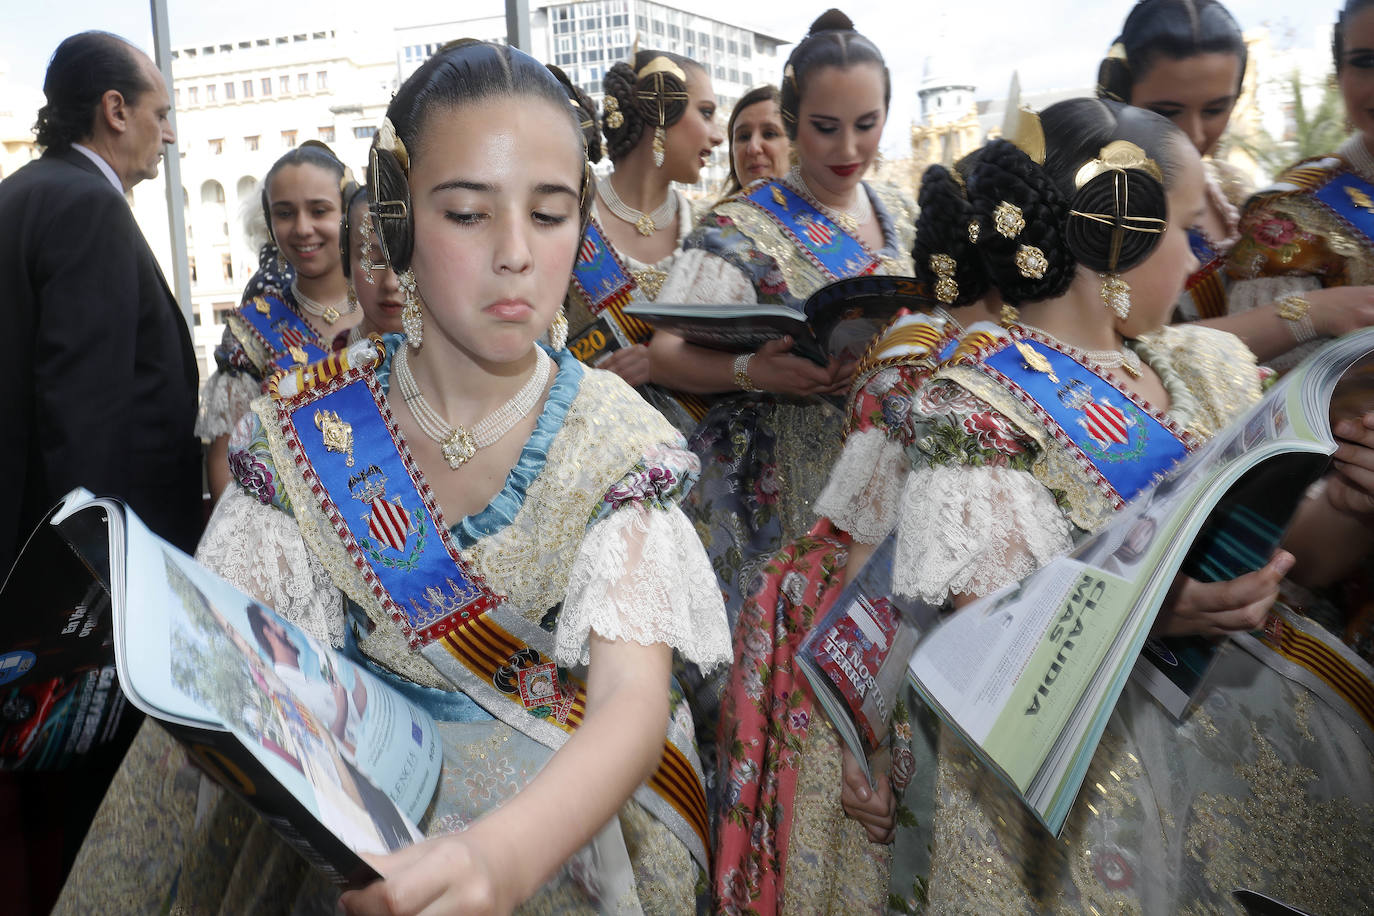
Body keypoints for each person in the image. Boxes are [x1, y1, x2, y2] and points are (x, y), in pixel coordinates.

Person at [55, 39, 730, 915]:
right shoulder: (307, 427)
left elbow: (632, 707)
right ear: (399, 218)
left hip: (561, 846)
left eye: (552, 212)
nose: (517, 254)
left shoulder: (613, 438)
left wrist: (500, 858)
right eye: (467, 215)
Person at [758, 97, 1374, 913]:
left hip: (1252, 764)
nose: (1197, 262)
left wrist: (1354, 501)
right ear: (1119, 238)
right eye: (1185, 232)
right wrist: (1157, 611)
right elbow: (993, 634)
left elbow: (1304, 552)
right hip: (1089, 812)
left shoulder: (1205, 368)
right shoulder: (976, 406)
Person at [0, 32, 202, 913]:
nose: (168, 133)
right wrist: (101, 598)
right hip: (84, 599)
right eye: (159, 114)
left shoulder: (20, 196)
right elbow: (85, 421)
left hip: (24, 562)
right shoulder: (85, 207)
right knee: (79, 819)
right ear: (114, 111)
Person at [652, 9, 916, 620]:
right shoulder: (742, 225)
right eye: (825, 127)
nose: (849, 149)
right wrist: (756, 372)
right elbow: (665, 352)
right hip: (792, 493)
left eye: (867, 125)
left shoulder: (905, 212)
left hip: (902, 476)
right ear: (793, 122)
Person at [1101, 0, 1374, 366]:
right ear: (1120, 97)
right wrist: (1309, 312)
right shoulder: (1100, 207)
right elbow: (1108, 357)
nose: (1193, 133)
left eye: (1215, 110)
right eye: (1165, 112)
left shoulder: (1229, 185)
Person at [561, 48, 724, 434]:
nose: (718, 135)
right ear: (661, 108)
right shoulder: (566, 219)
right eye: (705, 112)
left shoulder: (712, 230)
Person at [198, 142, 361, 501]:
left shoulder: (390, 304)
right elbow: (226, 461)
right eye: (285, 213)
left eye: (319, 210)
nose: (303, 228)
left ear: (348, 214)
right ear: (270, 222)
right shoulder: (252, 329)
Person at [335, 183, 405, 348]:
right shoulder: (328, 365)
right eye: (373, 260)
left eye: (406, 260)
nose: (391, 283)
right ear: (347, 261)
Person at [718, 84, 789, 202]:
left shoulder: (826, 217)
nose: (753, 148)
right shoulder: (713, 218)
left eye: (769, 134)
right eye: (744, 137)